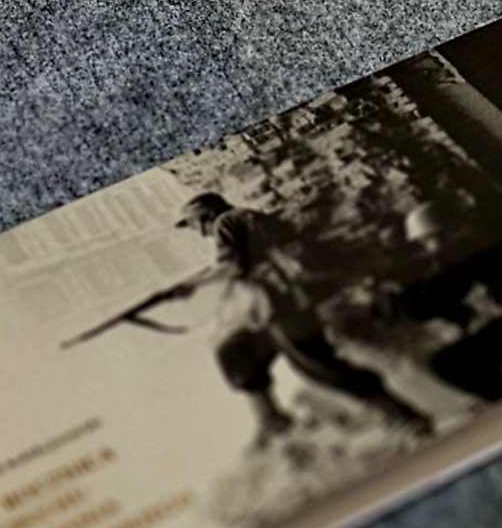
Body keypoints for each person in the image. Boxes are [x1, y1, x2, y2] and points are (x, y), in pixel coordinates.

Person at [178, 192, 436, 450]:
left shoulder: (225, 223)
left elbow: (231, 267)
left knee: (317, 365)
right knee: (236, 350)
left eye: (193, 224)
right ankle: (273, 421)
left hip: (286, 305)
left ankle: (403, 419)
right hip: (284, 304)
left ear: (204, 217)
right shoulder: (247, 219)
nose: (198, 232)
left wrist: (188, 287)